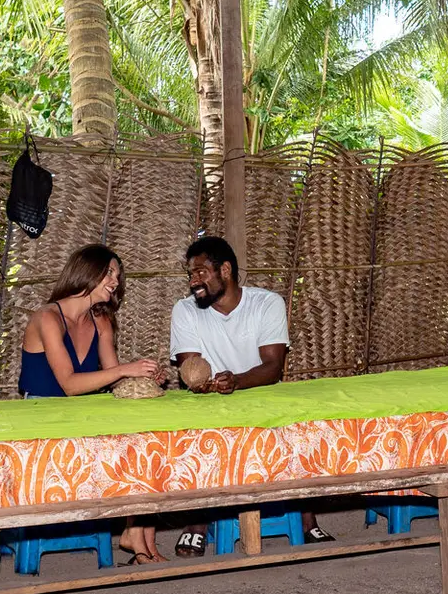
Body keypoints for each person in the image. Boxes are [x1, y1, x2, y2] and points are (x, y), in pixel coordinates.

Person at [168, 235, 333, 555]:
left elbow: (273, 367)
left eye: (201, 273)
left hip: (259, 395)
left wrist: (237, 382)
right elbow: (190, 367)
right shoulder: (185, 310)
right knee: (197, 432)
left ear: (225, 270)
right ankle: (197, 521)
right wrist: (204, 385)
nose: (194, 282)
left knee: (297, 428)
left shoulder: (266, 303)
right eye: (191, 275)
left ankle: (305, 518)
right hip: (209, 403)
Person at [19, 244, 169, 564]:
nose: (115, 280)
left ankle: (136, 534)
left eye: (117, 274)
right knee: (128, 446)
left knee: (145, 440)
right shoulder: (47, 318)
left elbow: (114, 379)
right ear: (86, 273)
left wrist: (143, 379)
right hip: (42, 417)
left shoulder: (101, 320)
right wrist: (127, 370)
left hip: (85, 414)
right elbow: (70, 385)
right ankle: (138, 538)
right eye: (109, 273)